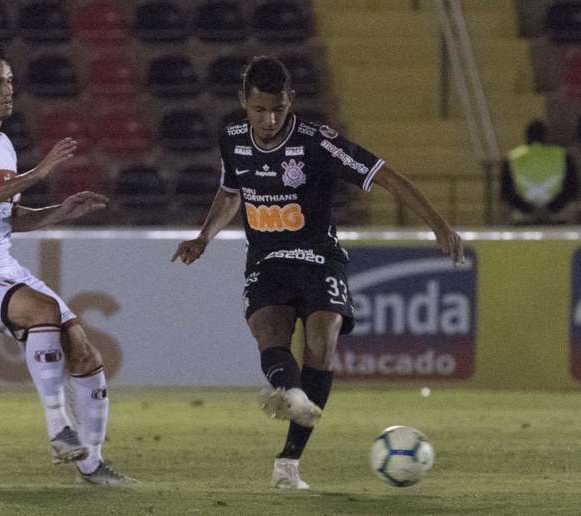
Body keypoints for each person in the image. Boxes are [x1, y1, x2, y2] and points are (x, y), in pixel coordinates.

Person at [172, 56, 464, 490]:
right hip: (266, 260)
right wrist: (203, 237)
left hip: (317, 256)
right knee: (268, 335)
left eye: (278, 109)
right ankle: (292, 395)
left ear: (290, 101)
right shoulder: (231, 140)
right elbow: (231, 193)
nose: (269, 119)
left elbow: (388, 178)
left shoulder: (316, 143)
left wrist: (439, 225)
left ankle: (289, 462)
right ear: (242, 102)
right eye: (259, 110)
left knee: (321, 342)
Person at [0, 42, 134, 485]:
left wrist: (61, 210)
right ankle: (58, 428)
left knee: (81, 345)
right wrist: (39, 175)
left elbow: (9, 217)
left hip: (2, 265)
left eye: (10, 82)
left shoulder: (4, 146)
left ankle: (93, 464)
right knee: (42, 312)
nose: (8, 91)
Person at [500, 119, 578, 224]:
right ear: (547, 136)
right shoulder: (563, 156)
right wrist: (550, 208)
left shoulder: (513, 158)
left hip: (524, 217)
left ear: (527, 137)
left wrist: (529, 209)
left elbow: (506, 192)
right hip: (557, 215)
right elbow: (572, 188)